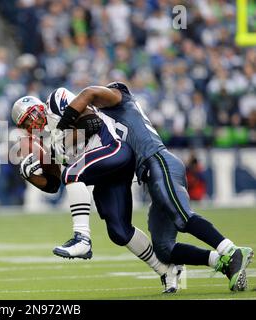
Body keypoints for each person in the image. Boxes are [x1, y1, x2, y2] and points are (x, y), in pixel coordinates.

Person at [51, 81, 253, 291]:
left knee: (181, 215)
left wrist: (60, 128)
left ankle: (230, 249)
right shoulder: (104, 121)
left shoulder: (120, 99)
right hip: (150, 174)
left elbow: (89, 93)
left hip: (157, 160)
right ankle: (222, 263)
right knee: (165, 249)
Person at [11, 92, 181, 293]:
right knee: (119, 231)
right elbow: (53, 185)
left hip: (114, 149)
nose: (34, 122)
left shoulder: (55, 101)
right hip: (105, 175)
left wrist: (63, 139)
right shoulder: (47, 145)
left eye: (33, 115)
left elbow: (92, 123)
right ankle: (167, 270)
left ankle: (82, 238)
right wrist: (30, 176)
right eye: (26, 123)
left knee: (73, 175)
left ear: (39, 107)